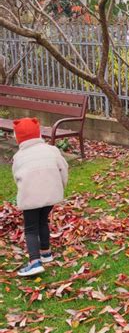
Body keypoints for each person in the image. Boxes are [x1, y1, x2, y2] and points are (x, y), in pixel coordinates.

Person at [12, 117, 69, 277]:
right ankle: (46, 252)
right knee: (43, 221)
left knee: (30, 228)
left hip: (30, 197)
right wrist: (61, 187)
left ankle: (34, 262)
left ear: (18, 138)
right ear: (38, 134)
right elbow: (63, 169)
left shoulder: (19, 157)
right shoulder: (52, 150)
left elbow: (17, 177)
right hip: (51, 194)